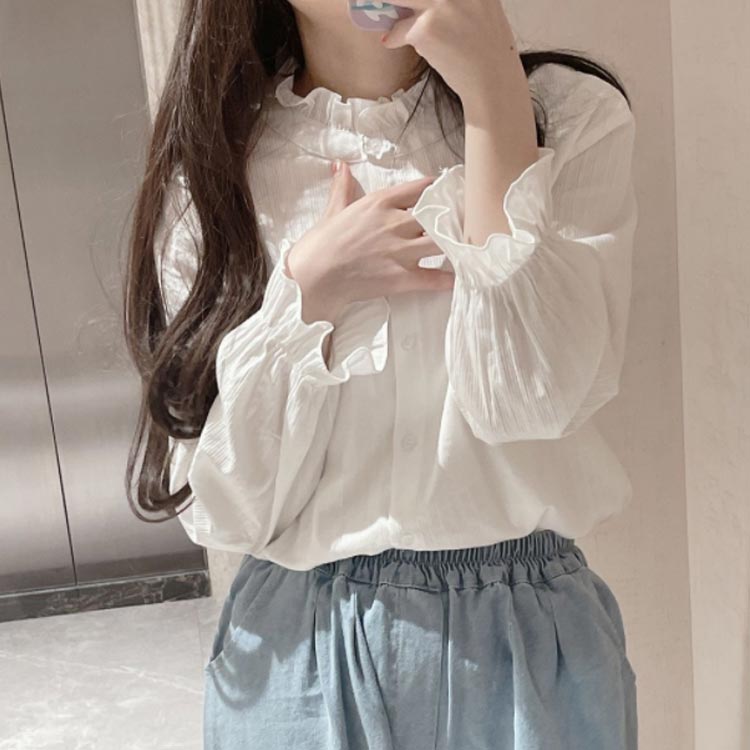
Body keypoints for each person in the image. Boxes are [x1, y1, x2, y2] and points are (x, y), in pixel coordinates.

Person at [124, 0, 639, 747]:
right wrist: (310, 295)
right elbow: (230, 511)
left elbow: (535, 400)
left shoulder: (568, 115)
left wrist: (494, 97)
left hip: (528, 646)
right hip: (299, 649)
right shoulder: (213, 164)